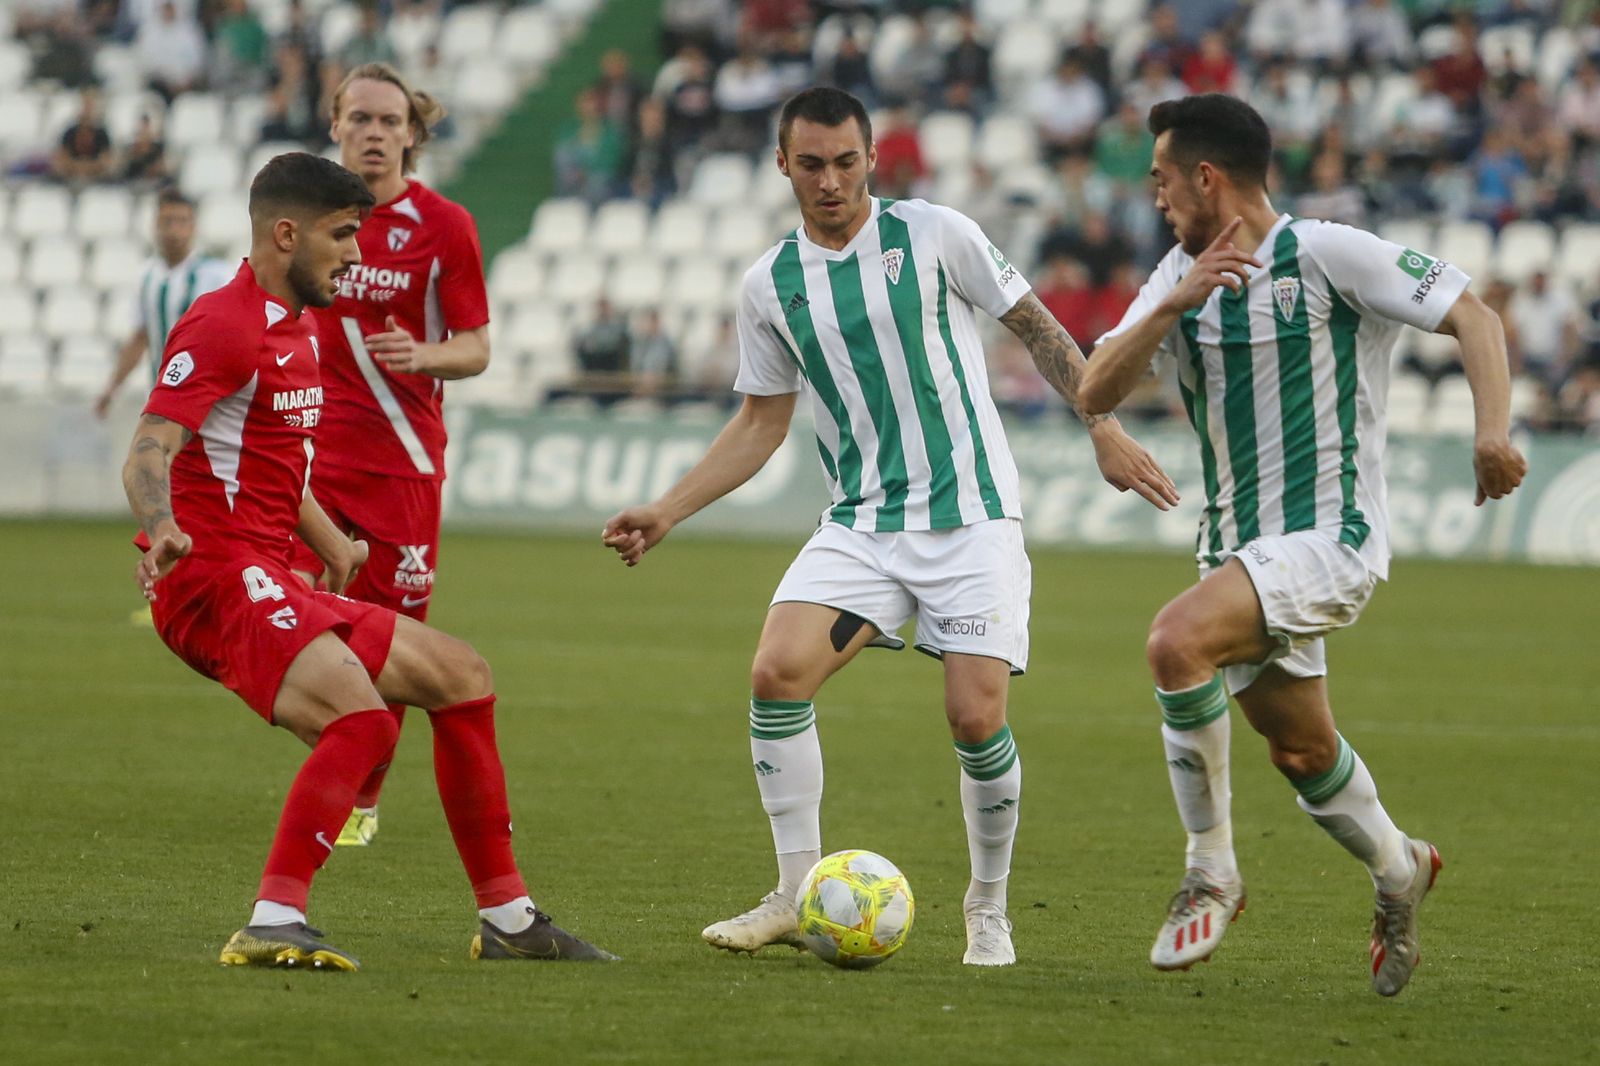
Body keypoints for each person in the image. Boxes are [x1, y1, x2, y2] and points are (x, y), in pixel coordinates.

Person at [602, 87, 1179, 967]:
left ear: (872, 157)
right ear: (782, 165)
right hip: (863, 523)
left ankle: (988, 906)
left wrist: (1103, 426)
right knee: (775, 673)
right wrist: (668, 510)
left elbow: (1035, 327)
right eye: (811, 164)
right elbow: (762, 422)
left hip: (973, 514)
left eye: (845, 161)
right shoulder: (770, 285)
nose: (830, 180)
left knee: (974, 719)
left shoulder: (936, 233)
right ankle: (794, 893)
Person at [1079, 94, 1527, 996]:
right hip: (1233, 552)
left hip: (1332, 536)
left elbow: (1474, 315)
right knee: (1301, 755)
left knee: (1174, 643)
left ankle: (1211, 870)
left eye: (1163, 178)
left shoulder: (1324, 251)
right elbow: (1095, 388)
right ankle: (1402, 869)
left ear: (1207, 177)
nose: (1156, 195)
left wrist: (1493, 433)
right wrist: (1173, 304)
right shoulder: (1173, 272)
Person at [121, 151, 612, 968]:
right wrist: (162, 523)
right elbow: (148, 445)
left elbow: (279, 465)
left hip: (269, 572)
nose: (355, 255)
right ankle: (274, 917)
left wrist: (333, 545)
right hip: (210, 579)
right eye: (342, 236)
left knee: (463, 676)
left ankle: (511, 920)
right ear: (287, 233)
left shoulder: (301, 330)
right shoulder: (222, 324)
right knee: (363, 724)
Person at [286, 63, 492, 848]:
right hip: (309, 460)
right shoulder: (306, 216)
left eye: (389, 121)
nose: (375, 133)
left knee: (392, 639)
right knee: (289, 617)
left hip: (402, 463)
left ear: (413, 132)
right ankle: (336, 751)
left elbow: (477, 349)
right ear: (335, 124)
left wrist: (424, 355)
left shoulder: (444, 226)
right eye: (360, 118)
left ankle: (362, 793)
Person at [96, 188, 234, 419]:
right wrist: (112, 388)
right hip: (161, 397)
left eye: (182, 221)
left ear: (193, 226)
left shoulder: (217, 274)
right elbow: (141, 336)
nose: (174, 230)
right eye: (167, 221)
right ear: (155, 225)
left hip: (209, 401)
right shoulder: (146, 275)